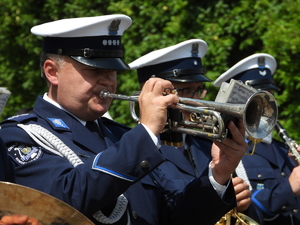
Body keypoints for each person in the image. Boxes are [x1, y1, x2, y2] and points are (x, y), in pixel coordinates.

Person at [0, 15, 248, 225]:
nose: (109, 81)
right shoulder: (20, 135)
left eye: (112, 70)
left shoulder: (122, 136)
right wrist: (147, 130)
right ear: (52, 72)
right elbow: (61, 200)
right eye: (95, 70)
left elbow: (176, 216)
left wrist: (218, 173)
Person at [129, 39, 264, 224]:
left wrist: (242, 203)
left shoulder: (208, 144)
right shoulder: (139, 149)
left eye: (198, 90)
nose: (197, 101)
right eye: (186, 90)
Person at [214, 53, 300, 225]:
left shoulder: (282, 149)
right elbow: (242, 207)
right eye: (258, 99)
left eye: (269, 97)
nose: (266, 107)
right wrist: (289, 188)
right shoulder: (229, 149)